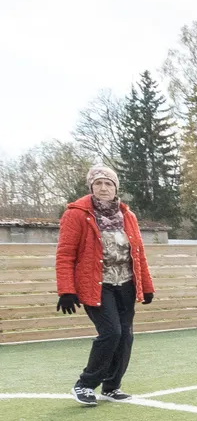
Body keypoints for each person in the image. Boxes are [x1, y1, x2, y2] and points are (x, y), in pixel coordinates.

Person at [54, 164, 156, 406]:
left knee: (126, 337)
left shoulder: (128, 216)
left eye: (108, 183)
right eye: (98, 183)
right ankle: (85, 384)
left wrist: (147, 286)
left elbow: (138, 254)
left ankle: (111, 386)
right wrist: (66, 290)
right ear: (91, 187)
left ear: (116, 187)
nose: (103, 188)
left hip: (126, 284)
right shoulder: (76, 214)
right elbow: (65, 254)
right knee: (111, 333)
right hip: (97, 284)